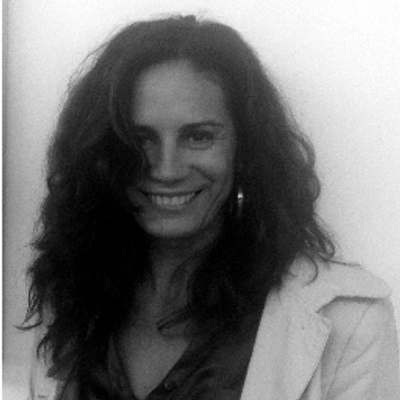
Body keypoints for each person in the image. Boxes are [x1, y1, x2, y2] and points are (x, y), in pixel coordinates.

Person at [25, 15, 399, 400]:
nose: (166, 169)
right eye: (140, 139)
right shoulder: (71, 292)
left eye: (199, 137)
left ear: (244, 149)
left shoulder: (351, 321)